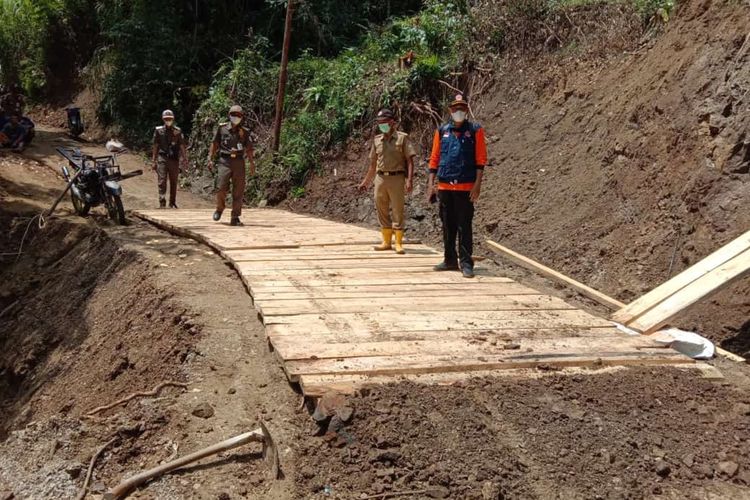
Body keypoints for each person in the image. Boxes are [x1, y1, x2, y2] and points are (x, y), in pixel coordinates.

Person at [427, 94, 488, 278]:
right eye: (455, 109)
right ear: (450, 111)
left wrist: (477, 184)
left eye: (462, 108)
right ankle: (449, 259)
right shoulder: (442, 131)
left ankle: (466, 263)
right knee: (447, 225)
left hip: (465, 187)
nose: (458, 112)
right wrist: (431, 184)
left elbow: (480, 159)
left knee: (464, 225)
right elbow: (435, 158)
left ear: (466, 110)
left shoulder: (475, 130)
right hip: (445, 187)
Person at [359, 108, 416, 254]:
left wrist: (409, 180)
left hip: (397, 178)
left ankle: (398, 243)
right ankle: (386, 241)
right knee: (381, 208)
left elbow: (410, 161)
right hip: (380, 178)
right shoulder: (377, 140)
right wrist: (366, 182)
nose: (381, 125)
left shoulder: (402, 138)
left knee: (398, 210)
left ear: (392, 123)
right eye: (379, 123)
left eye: (384, 122)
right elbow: (373, 165)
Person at [207, 105, 255, 226]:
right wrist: (210, 159)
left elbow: (249, 148)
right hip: (225, 161)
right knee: (221, 187)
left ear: (242, 117)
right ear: (229, 115)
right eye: (233, 114)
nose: (236, 117)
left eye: (238, 115)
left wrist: (252, 163)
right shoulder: (222, 128)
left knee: (238, 190)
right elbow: (214, 144)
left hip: (239, 162)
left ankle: (235, 216)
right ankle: (219, 208)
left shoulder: (244, 132)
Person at [151, 109, 188, 208]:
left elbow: (181, 145)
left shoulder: (177, 131)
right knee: (162, 180)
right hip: (162, 158)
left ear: (173, 119)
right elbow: (155, 145)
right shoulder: (158, 131)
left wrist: (185, 158)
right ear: (163, 119)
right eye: (166, 119)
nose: (168, 120)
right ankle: (162, 202)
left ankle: (172, 202)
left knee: (174, 181)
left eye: (170, 119)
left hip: (174, 159)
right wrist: (153, 160)